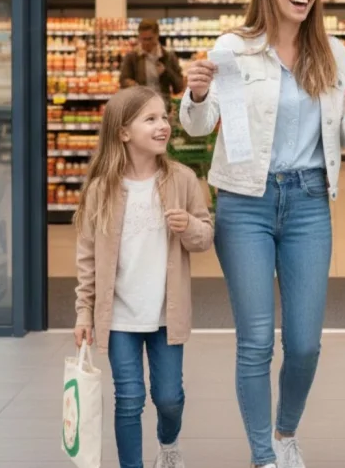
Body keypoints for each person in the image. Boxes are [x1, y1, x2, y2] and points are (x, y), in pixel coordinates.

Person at [178, 0, 345, 468]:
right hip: (246, 202)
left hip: (309, 200)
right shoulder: (233, 48)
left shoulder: (331, 51)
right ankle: (264, 455)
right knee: (256, 340)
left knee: (306, 343)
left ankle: (286, 432)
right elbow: (198, 126)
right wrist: (195, 96)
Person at [72, 85, 214, 468]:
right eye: (150, 119)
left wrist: (188, 227)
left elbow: (205, 237)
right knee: (129, 398)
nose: (163, 126)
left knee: (169, 397)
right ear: (123, 132)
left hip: (166, 315)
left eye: (164, 118)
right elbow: (87, 258)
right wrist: (84, 311)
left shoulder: (182, 180)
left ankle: (168, 445)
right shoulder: (101, 189)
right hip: (119, 317)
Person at [119, 19, 185, 107]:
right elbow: (123, 80)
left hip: (163, 107)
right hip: (140, 107)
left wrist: (166, 72)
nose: (146, 43)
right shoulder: (132, 57)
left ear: (157, 35)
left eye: (150, 39)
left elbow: (179, 87)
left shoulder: (168, 56)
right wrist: (132, 84)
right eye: (143, 39)